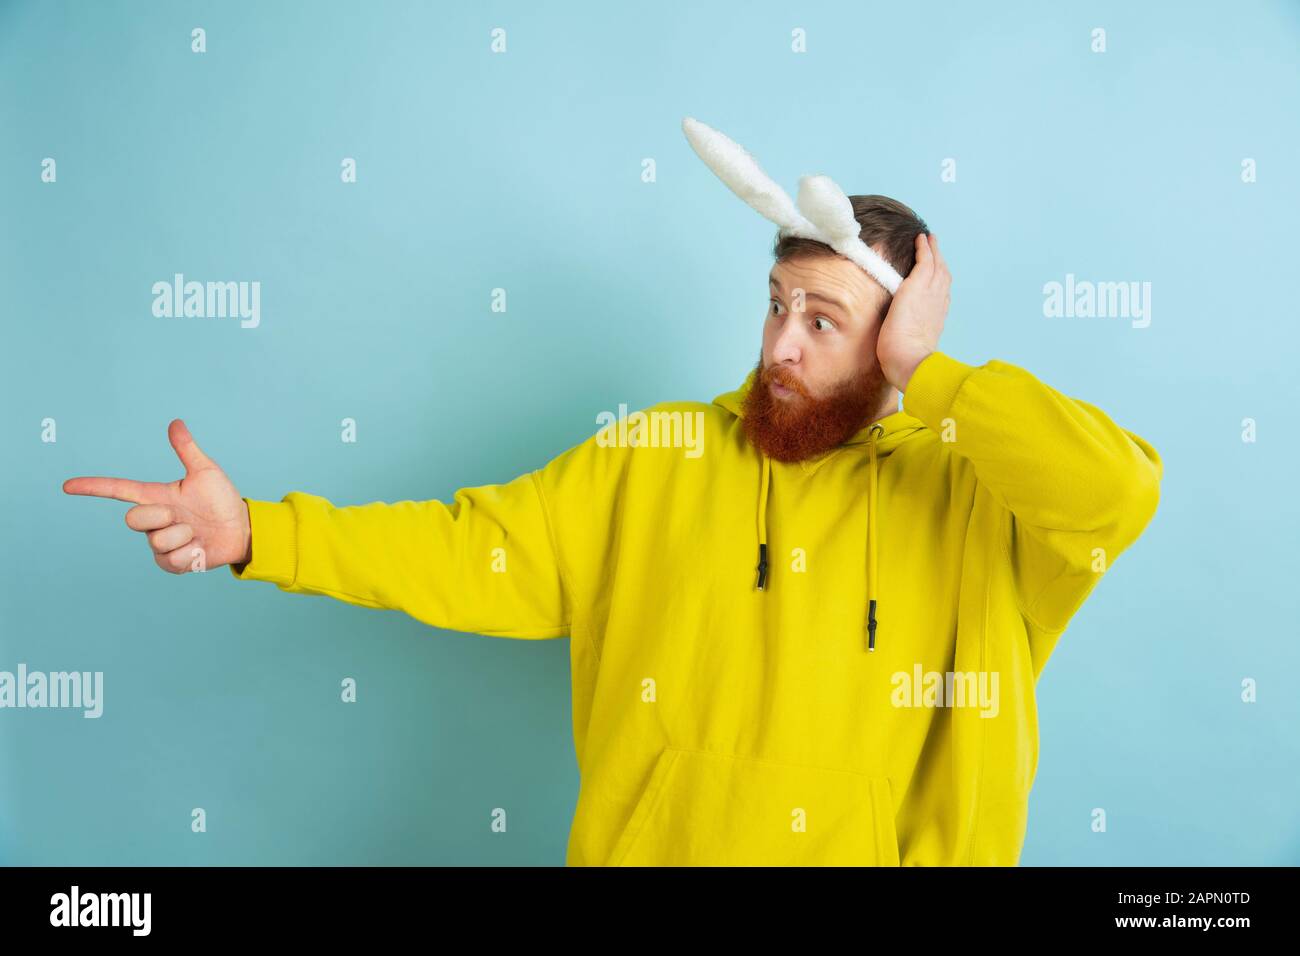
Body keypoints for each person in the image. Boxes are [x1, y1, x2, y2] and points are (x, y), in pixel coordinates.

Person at [64, 198, 1162, 866]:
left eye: (823, 319)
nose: (780, 342)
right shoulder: (656, 454)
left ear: (896, 337)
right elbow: (466, 548)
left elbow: (1117, 493)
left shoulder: (980, 498)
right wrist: (259, 531)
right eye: (776, 303)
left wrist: (936, 376)